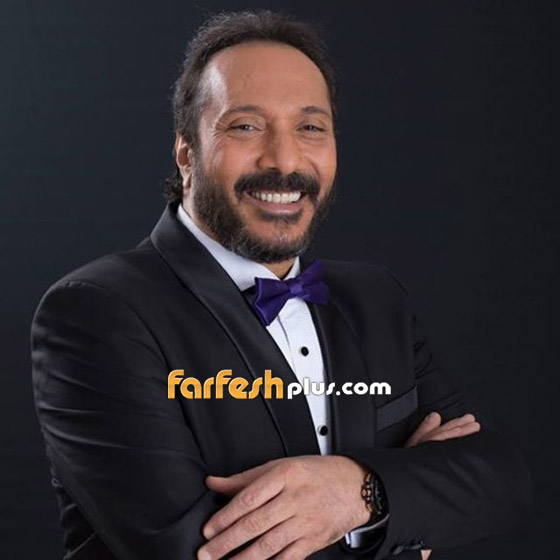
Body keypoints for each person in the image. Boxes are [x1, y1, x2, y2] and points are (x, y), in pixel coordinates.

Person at [31, 10, 532, 560]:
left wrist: (358, 491)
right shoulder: (97, 311)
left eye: (310, 127)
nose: (285, 159)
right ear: (187, 153)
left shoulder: (376, 298)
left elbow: (497, 479)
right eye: (246, 126)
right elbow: (191, 550)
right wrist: (406, 520)